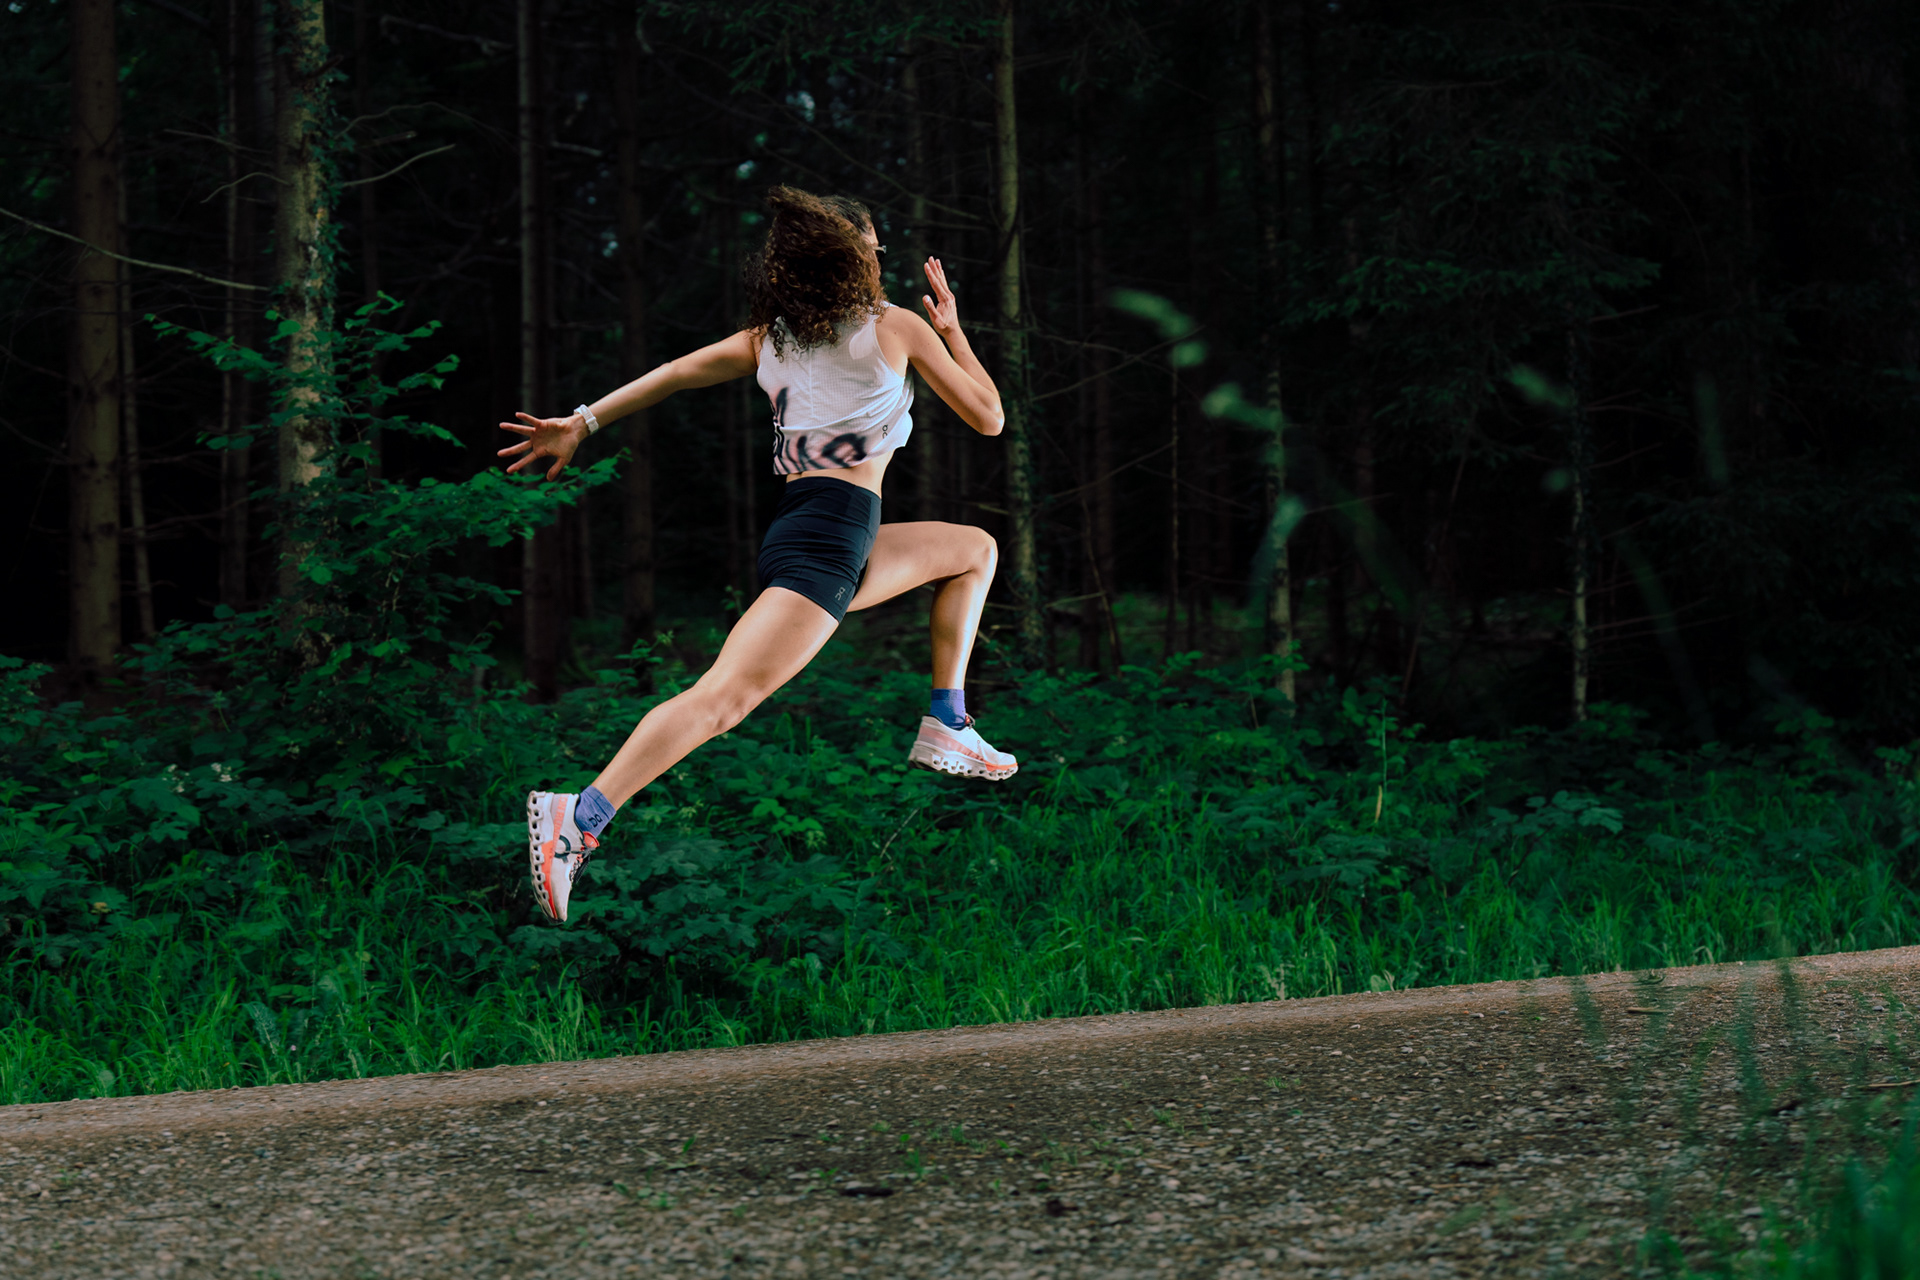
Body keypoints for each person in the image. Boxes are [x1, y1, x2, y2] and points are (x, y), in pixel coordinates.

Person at [498, 186, 1019, 923]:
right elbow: (990, 417)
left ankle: (948, 719)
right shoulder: (896, 326)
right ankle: (578, 818)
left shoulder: (771, 339)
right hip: (831, 538)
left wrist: (584, 421)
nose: (879, 250)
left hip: (819, 529)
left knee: (974, 550)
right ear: (851, 255)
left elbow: (675, 372)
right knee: (725, 698)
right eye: (870, 241)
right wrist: (955, 332)